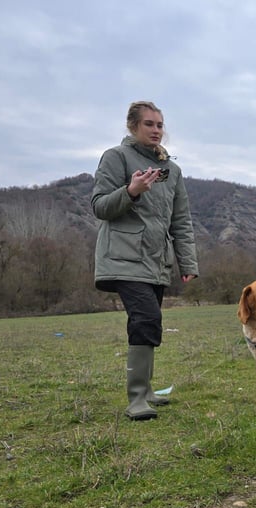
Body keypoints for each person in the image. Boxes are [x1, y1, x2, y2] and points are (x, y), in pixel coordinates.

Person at [91, 101, 199, 420]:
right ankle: (136, 398)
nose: (156, 130)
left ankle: (148, 390)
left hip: (156, 261)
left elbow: (181, 220)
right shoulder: (116, 157)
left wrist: (188, 263)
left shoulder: (173, 171)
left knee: (149, 322)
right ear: (133, 127)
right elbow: (99, 206)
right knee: (146, 319)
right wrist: (132, 190)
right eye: (149, 124)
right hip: (124, 257)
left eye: (160, 125)